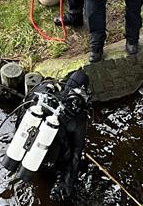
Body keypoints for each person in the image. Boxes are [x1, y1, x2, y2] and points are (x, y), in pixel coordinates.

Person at [19, 71, 91, 203]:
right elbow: (76, 152)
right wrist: (68, 183)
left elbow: (20, 119)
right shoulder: (78, 116)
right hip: (52, 160)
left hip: (26, 150)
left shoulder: (43, 94)